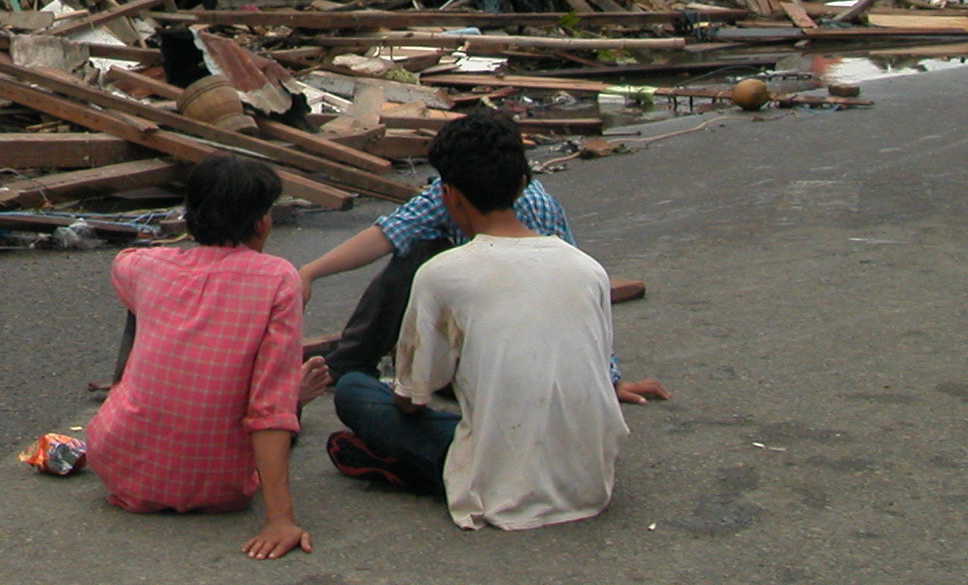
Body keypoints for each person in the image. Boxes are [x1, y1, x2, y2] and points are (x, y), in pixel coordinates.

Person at [323, 113, 669, 529]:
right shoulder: (589, 270)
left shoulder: (440, 273)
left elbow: (410, 401)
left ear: (447, 195)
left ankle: (417, 466)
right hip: (591, 482)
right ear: (523, 182)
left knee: (354, 392)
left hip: (500, 486)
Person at [86, 153, 320, 561]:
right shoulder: (280, 279)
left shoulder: (144, 266)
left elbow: (124, 263)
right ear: (262, 221)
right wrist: (280, 518)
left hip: (119, 466)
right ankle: (298, 404)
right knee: (278, 401)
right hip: (220, 486)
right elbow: (270, 405)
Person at [297, 149, 580, 382]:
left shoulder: (537, 216)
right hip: (492, 344)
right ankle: (352, 361)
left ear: (451, 195)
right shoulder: (448, 195)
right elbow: (392, 232)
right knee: (419, 246)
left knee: (360, 396)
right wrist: (311, 272)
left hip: (520, 353)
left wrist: (606, 375)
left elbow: (568, 307)